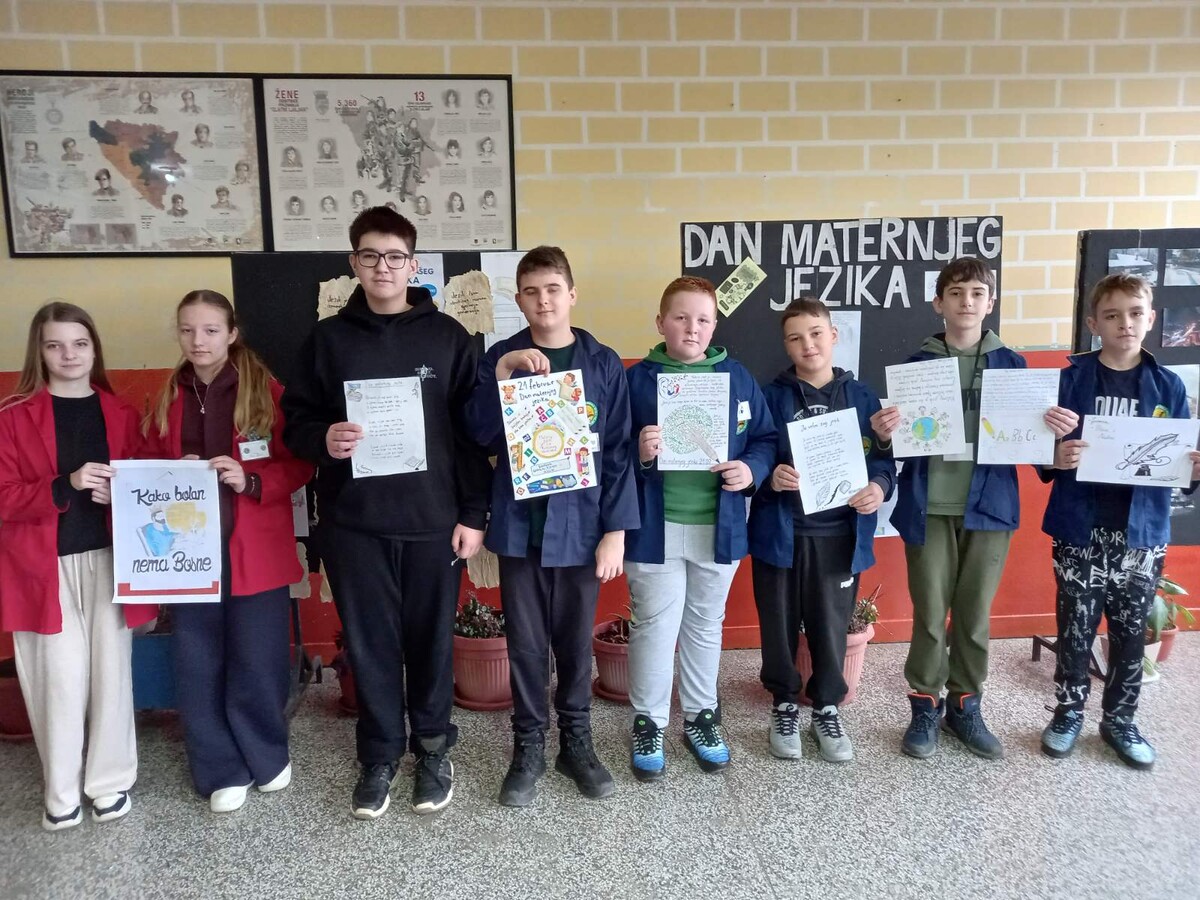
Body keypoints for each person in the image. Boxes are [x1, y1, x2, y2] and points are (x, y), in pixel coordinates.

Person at [281, 207, 490, 819]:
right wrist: (324, 439)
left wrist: (473, 514)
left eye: (395, 256)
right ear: (354, 262)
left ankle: (433, 750)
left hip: (433, 522)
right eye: (370, 256)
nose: (383, 267)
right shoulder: (327, 341)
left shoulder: (448, 338)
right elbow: (295, 423)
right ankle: (377, 756)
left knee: (431, 643)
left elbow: (470, 436)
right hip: (355, 525)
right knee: (370, 646)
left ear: (413, 265)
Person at [872, 256, 1077, 761]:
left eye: (977, 293)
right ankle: (925, 706)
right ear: (938, 303)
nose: (967, 302)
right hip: (929, 505)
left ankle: (965, 705)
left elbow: (1031, 445)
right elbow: (893, 446)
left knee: (973, 612)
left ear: (991, 303)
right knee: (928, 611)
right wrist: (884, 434)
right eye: (956, 293)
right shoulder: (915, 368)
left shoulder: (1013, 366)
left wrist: (1052, 441)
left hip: (990, 506)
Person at [465, 246, 639, 807]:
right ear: (518, 300)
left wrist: (615, 531)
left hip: (583, 526)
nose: (544, 301)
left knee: (573, 642)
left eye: (553, 289)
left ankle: (576, 743)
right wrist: (501, 377)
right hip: (521, 526)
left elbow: (618, 452)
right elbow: (477, 435)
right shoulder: (502, 356)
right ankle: (529, 746)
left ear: (572, 295)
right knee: (525, 644)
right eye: (532, 292)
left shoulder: (602, 362)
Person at [144, 290, 313, 813]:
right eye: (188, 330)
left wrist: (251, 479)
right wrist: (168, 474)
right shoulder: (165, 398)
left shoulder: (266, 392)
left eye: (211, 330)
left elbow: (300, 463)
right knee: (198, 662)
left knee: (258, 660)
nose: (199, 341)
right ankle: (220, 769)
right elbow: (140, 469)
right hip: (185, 556)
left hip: (254, 551)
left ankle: (266, 755)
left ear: (232, 333)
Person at [0, 301, 156, 831]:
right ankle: (61, 791)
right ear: (39, 352)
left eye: (79, 344)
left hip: (112, 559)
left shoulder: (122, 413)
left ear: (94, 349)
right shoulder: (12, 416)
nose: (69, 354)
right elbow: (4, 496)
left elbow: (145, 487)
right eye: (55, 345)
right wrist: (63, 485)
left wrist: (125, 494)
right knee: (58, 678)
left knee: (112, 675)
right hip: (42, 567)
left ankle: (108, 783)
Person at [1039, 273, 1199, 769]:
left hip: (1140, 532)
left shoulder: (1168, 385)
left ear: (1150, 319)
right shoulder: (1068, 380)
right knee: (1075, 625)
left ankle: (1120, 720)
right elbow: (1037, 445)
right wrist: (1054, 456)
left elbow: (1179, 460)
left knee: (1130, 631)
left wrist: (1192, 470)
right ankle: (1068, 712)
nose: (1124, 324)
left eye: (1134, 314)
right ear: (1094, 323)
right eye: (1112, 315)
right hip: (1079, 526)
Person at [623, 277, 775, 781]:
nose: (693, 328)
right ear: (660, 322)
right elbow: (607, 450)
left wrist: (750, 469)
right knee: (654, 626)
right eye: (681, 317)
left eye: (704, 319)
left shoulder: (736, 376)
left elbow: (765, 438)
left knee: (706, 625)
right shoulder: (637, 380)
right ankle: (649, 722)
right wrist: (639, 452)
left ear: (714, 326)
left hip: (718, 525)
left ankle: (700, 717)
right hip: (654, 527)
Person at [747, 298, 896, 763]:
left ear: (833, 336)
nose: (807, 345)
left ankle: (827, 707)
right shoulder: (769, 397)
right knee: (778, 624)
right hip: (780, 534)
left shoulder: (863, 398)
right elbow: (755, 452)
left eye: (815, 334)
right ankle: (784, 703)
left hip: (839, 537)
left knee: (831, 627)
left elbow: (884, 462)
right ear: (785, 345)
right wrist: (771, 477)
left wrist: (878, 486)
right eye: (795, 338)